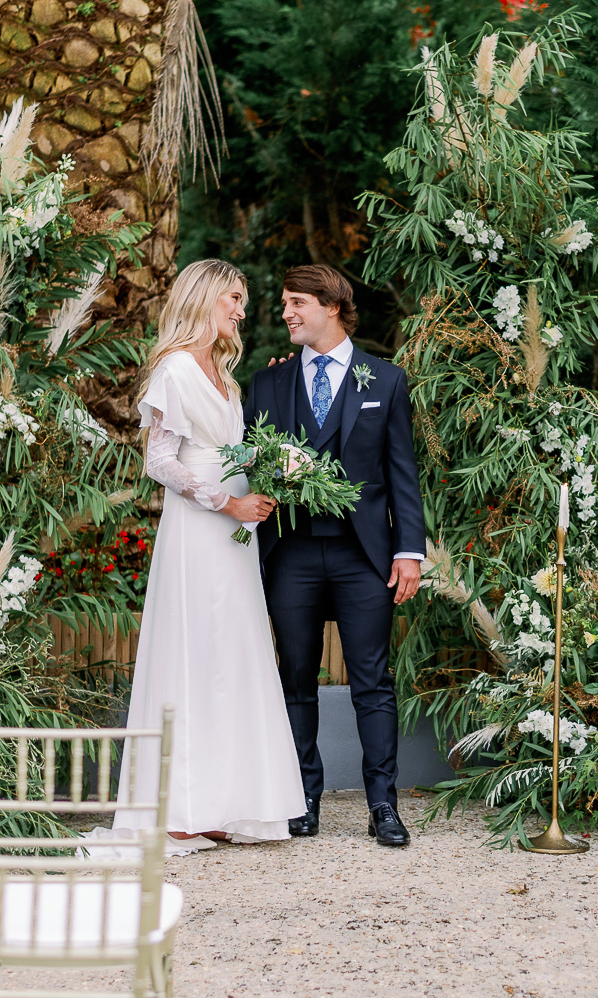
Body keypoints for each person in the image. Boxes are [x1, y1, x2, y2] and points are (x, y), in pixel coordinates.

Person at [113, 259, 306, 847]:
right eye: (234, 299)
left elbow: (232, 450)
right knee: (192, 651)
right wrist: (225, 502)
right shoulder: (174, 370)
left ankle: (221, 803)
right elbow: (160, 461)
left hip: (236, 532)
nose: (242, 311)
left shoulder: (225, 375)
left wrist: (273, 469)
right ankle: (177, 808)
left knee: (230, 652)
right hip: (201, 528)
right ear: (204, 298)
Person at [244, 265, 427, 848]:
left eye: (297, 303)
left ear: (332, 306)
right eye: (285, 302)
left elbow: (403, 474)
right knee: (294, 677)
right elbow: (249, 458)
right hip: (291, 552)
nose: (287, 313)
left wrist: (409, 552)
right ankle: (303, 800)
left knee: (371, 682)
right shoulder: (268, 384)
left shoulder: (386, 380)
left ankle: (383, 805)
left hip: (363, 556)